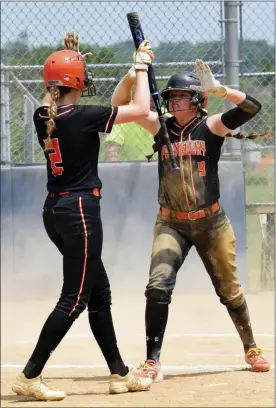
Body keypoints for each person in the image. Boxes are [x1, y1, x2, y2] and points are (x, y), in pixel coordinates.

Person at [11, 31, 154, 401]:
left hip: (55, 210)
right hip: (79, 211)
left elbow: (55, 99)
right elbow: (140, 110)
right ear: (76, 83)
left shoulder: (43, 114)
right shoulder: (85, 116)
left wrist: (70, 60)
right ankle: (30, 375)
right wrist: (140, 69)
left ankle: (119, 374)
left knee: (99, 292)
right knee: (75, 298)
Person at [111, 58, 270, 382]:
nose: (173, 100)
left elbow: (253, 107)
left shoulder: (211, 126)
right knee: (157, 287)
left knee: (229, 291)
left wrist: (221, 90)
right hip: (172, 223)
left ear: (198, 100)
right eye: (171, 96)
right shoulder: (159, 125)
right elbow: (118, 105)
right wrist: (134, 75)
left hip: (211, 223)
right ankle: (152, 360)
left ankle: (251, 347)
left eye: (182, 95)